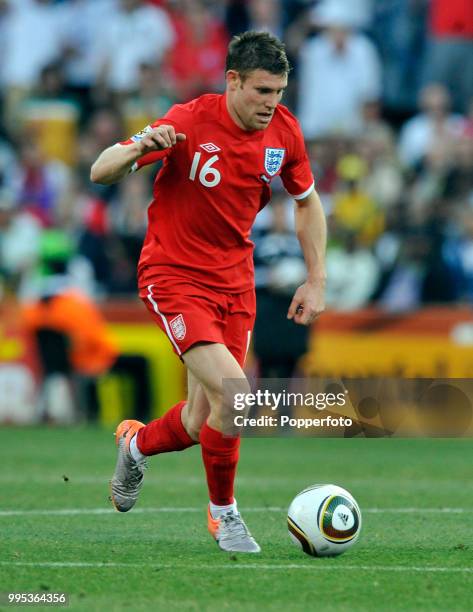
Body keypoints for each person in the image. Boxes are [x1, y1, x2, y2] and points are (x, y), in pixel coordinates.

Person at [90, 31, 326, 554]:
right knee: (237, 396)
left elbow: (306, 203)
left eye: (280, 92)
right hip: (173, 277)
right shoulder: (189, 119)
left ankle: (136, 444)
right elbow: (99, 170)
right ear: (233, 81)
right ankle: (226, 514)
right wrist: (139, 148)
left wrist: (316, 277)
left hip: (235, 283)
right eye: (263, 91)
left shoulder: (285, 133)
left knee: (204, 421)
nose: (272, 104)